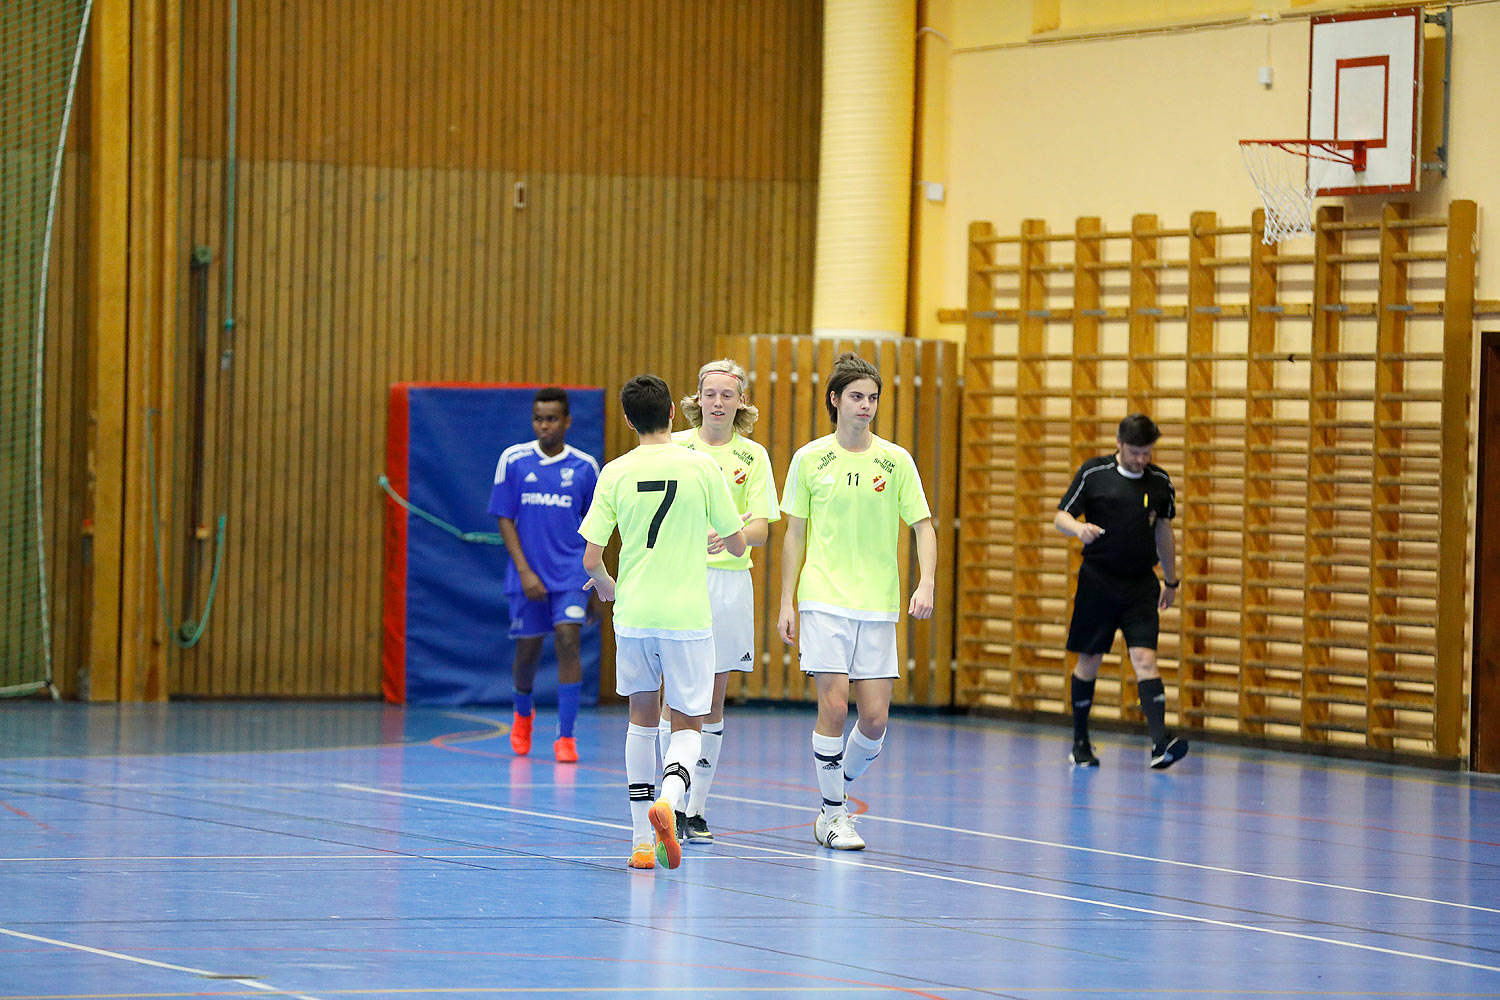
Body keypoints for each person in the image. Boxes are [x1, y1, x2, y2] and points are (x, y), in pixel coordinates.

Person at [580, 374, 748, 871]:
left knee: (640, 719)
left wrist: (609, 588)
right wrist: (721, 538)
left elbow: (591, 558)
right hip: (685, 615)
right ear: (675, 412)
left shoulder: (614, 471)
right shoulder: (701, 467)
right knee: (689, 721)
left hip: (634, 614)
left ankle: (638, 842)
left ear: (629, 420)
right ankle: (671, 802)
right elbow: (738, 542)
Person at [777, 353, 937, 852]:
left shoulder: (896, 460)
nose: (866, 406)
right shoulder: (810, 458)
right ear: (835, 400)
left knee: (874, 719)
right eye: (856, 397)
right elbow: (794, 536)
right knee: (833, 701)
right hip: (823, 597)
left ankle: (835, 793)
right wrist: (787, 600)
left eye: (872, 398)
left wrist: (925, 581)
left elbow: (923, 527)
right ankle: (831, 815)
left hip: (877, 603)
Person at [658, 359, 779, 844]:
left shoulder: (753, 457)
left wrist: (731, 536)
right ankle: (666, 799)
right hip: (681, 579)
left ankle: (696, 809)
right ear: (696, 400)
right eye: (710, 393)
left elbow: (761, 530)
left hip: (728, 584)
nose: (718, 402)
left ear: (740, 403)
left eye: (728, 395)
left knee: (712, 698)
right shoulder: (676, 448)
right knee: (674, 696)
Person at [1054, 412, 1188, 770]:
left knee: (1145, 659)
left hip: (1140, 584)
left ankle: (1160, 745)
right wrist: (1077, 530)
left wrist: (1171, 580)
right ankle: (1080, 743)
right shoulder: (1094, 473)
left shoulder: (1159, 482)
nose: (1141, 460)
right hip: (1098, 581)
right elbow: (1061, 515)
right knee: (1090, 661)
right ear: (1119, 444)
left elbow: (1164, 532)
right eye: (1134, 452)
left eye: (1147, 453)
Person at [488, 387, 601, 764]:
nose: (544, 425)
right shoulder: (514, 460)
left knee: (568, 641)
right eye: (538, 418)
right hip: (527, 575)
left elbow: (599, 526)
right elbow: (505, 518)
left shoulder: (586, 467)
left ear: (567, 421)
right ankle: (523, 714)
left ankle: (566, 738)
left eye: (552, 419)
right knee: (528, 653)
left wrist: (598, 578)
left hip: (570, 573)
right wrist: (524, 571)